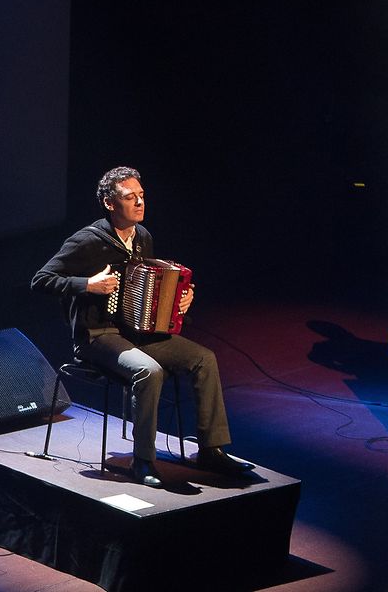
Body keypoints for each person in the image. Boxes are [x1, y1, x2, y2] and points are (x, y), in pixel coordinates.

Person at [32, 166, 253, 488]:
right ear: (109, 203)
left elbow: (149, 291)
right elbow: (40, 280)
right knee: (149, 371)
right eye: (129, 197)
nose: (139, 203)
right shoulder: (87, 241)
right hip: (98, 337)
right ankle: (143, 460)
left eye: (141, 196)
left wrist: (180, 301)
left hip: (137, 332)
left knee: (203, 358)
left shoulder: (142, 238)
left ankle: (210, 450)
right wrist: (87, 285)